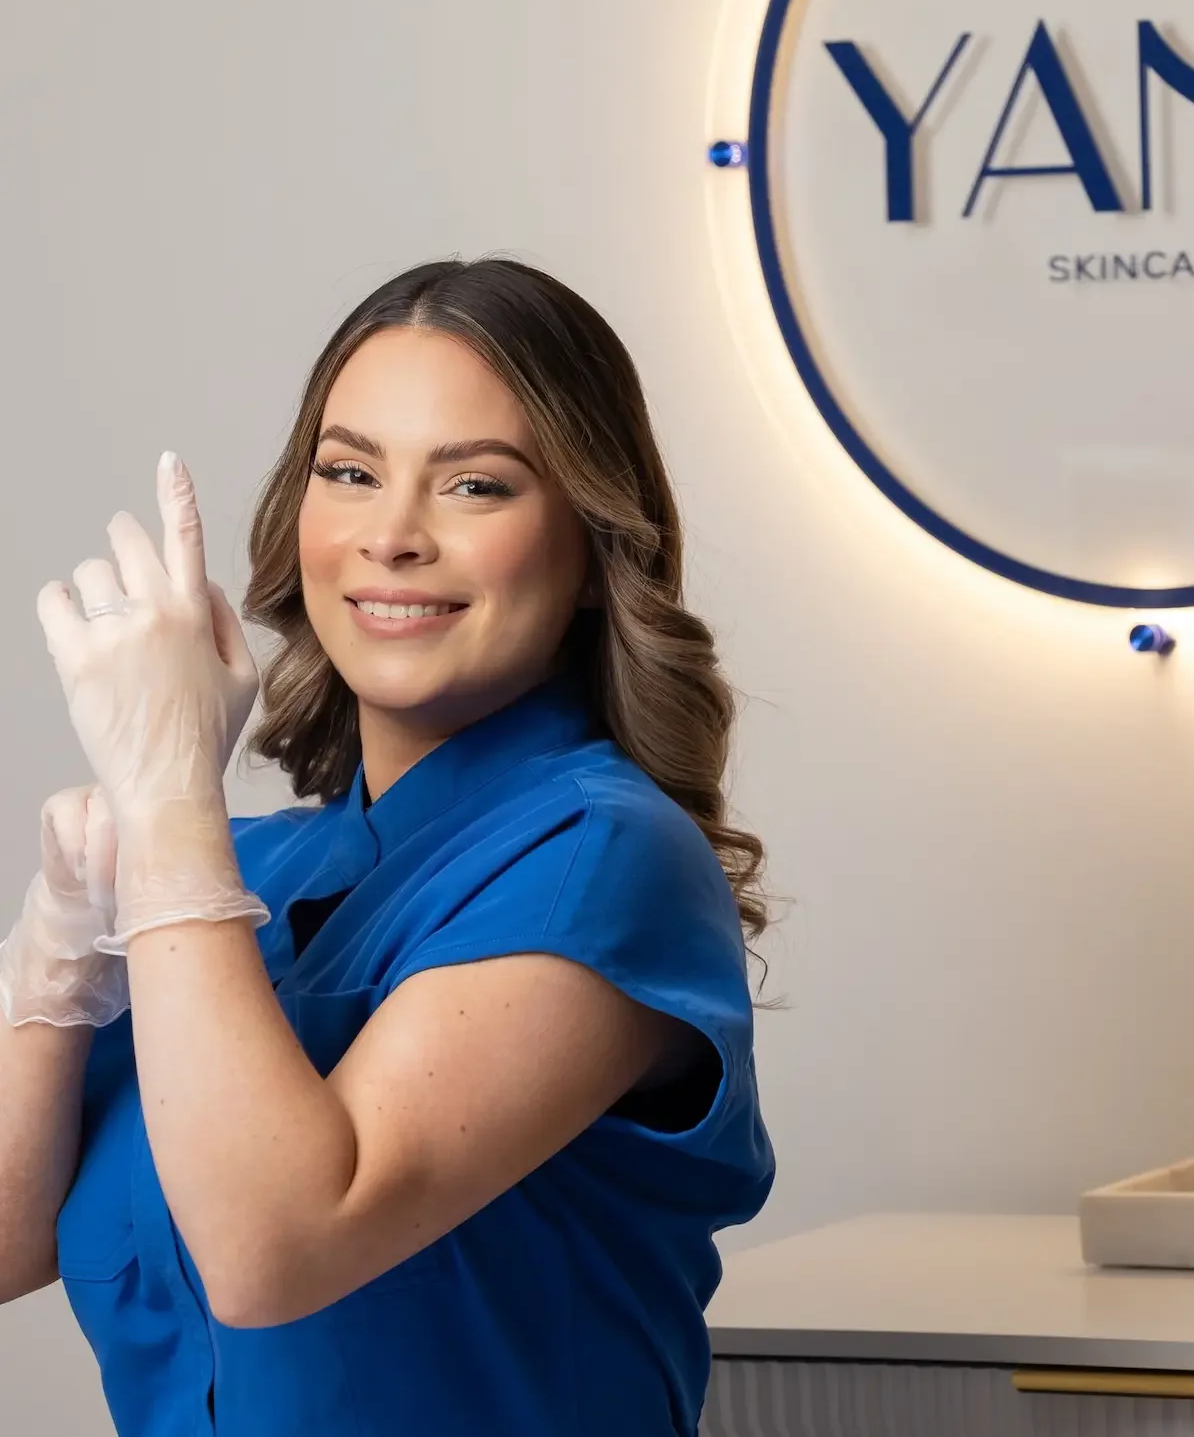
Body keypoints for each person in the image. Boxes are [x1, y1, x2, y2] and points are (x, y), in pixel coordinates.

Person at [0, 257, 775, 1437]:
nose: (391, 537)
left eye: (474, 487)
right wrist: (47, 985)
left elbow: (276, 1247)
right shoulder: (236, 880)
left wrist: (165, 812)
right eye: (350, 472)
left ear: (589, 545)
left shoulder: (602, 858)